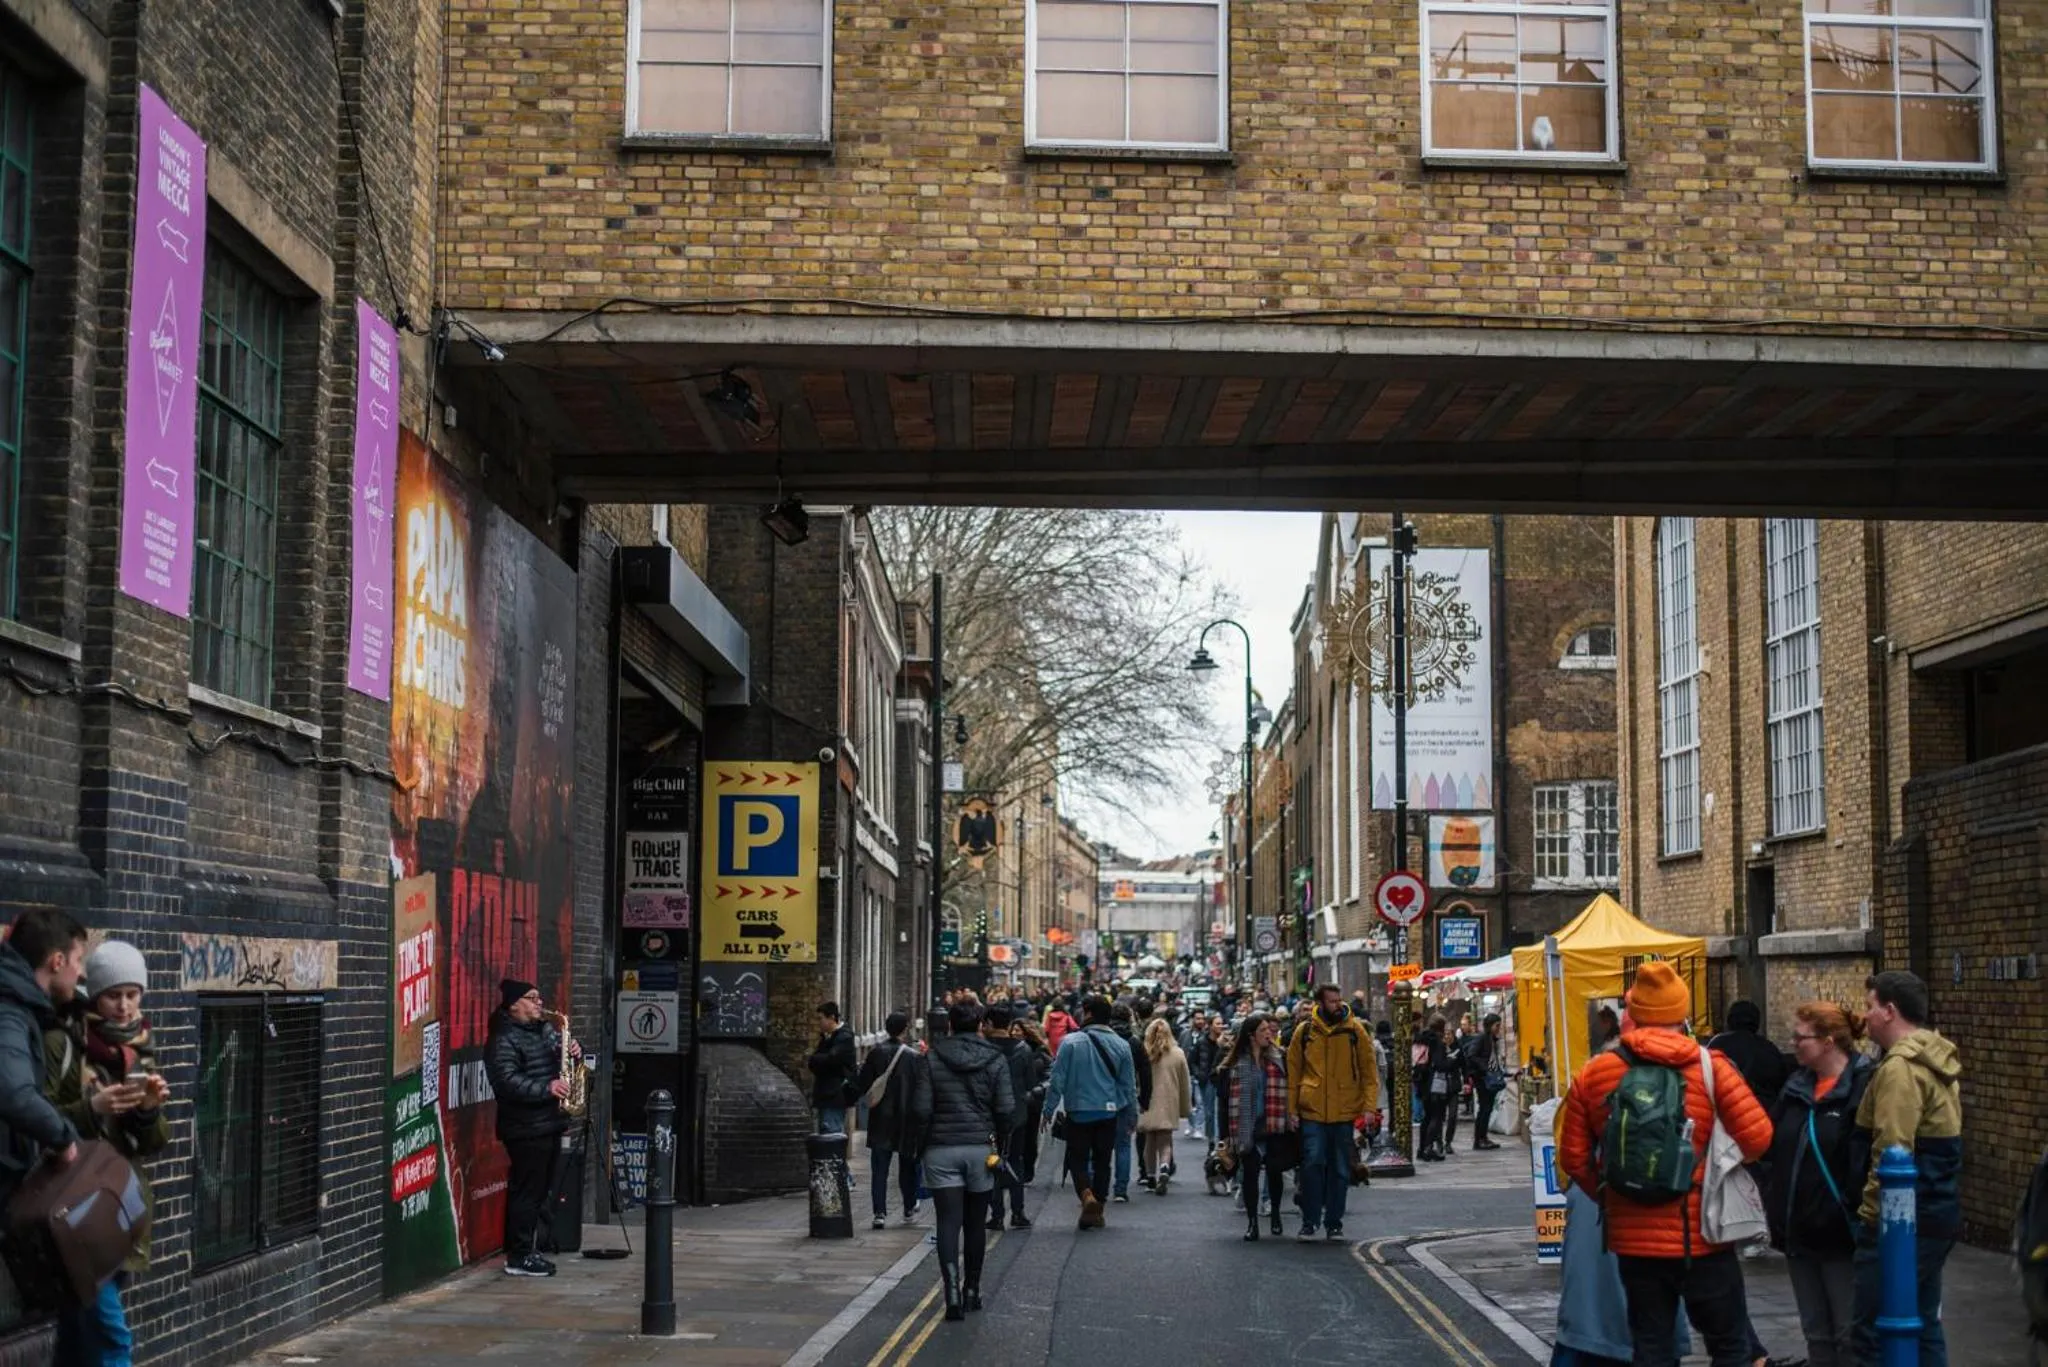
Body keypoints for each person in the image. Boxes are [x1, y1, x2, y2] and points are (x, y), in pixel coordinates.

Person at [1556, 961, 1773, 1367]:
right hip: (1703, 1235)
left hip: (1634, 1240)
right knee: (1729, 1345)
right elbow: (1759, 1138)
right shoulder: (1712, 1068)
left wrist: (1611, 1199)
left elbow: (1572, 1159)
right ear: (1682, 1014)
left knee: (1652, 1347)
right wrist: (1713, 1165)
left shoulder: (1597, 1072)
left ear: (1633, 1013)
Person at [41, 939, 170, 1367]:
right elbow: (36, 1117)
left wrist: (148, 1113)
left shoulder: (138, 1052)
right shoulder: (64, 1046)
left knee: (78, 1336)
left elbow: (152, 1143)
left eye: (132, 995)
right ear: (94, 996)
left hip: (117, 1206)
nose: (124, 1006)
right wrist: (90, 1109)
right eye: (113, 995)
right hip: (74, 1208)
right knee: (111, 1338)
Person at [1852, 971, 1961, 1367]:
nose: (1864, 1017)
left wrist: (1870, 1216)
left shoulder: (1900, 1069)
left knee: (1871, 1331)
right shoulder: (1936, 1058)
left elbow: (1892, 1149)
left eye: (1869, 1006)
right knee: (1924, 1323)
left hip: (1900, 1223)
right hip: (1937, 1212)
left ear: (1890, 1011)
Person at [1760, 1001, 1874, 1367]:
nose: (1793, 1043)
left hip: (1841, 1235)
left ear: (1828, 1041)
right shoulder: (1794, 1088)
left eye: (1800, 1037)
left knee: (1847, 1333)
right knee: (1816, 1333)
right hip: (1798, 1231)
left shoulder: (1863, 1088)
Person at [923, 1000, 1014, 1320]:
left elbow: (920, 1110)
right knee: (976, 1224)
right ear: (979, 1025)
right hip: (980, 1150)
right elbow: (1005, 1111)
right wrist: (1000, 1144)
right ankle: (972, 1290)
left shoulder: (932, 1057)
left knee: (948, 1222)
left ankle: (950, 1294)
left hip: (940, 1149)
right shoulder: (995, 1059)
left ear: (950, 1025)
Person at [484, 979, 577, 1276]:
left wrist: (575, 1049)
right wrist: (546, 1088)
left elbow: (560, 1058)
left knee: (539, 1191)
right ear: (514, 1004)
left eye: (539, 997)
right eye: (532, 998)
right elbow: (507, 1082)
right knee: (527, 1191)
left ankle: (532, 1247)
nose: (539, 1003)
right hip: (525, 1127)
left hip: (547, 1123)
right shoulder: (503, 1039)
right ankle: (519, 1255)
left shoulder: (544, 1030)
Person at [1287, 982, 1376, 1242]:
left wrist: (1369, 1106)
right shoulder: (1304, 1031)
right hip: (1312, 1109)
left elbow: (1369, 1072)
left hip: (1343, 1111)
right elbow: (1294, 1073)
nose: (1338, 1005)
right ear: (1319, 1004)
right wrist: (1291, 1109)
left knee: (1340, 1168)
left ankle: (1334, 1222)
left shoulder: (1354, 1031)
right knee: (1312, 1163)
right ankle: (1310, 1221)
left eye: (1339, 1000)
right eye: (1332, 1001)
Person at [1043, 995, 1136, 1231]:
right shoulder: (1122, 1045)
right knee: (1103, 1161)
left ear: (1088, 1014)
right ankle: (1099, 1207)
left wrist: (1048, 1109)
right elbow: (1128, 1086)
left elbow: (1057, 1080)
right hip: (1108, 1112)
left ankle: (1086, 1196)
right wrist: (1126, 1111)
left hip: (1078, 1112)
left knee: (1078, 1159)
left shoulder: (1070, 1042)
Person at [853, 1010, 931, 1229]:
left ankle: (879, 1213)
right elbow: (921, 1088)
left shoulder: (876, 1053)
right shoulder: (914, 1057)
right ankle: (908, 1208)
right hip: (907, 1118)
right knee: (907, 1165)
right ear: (905, 1029)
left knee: (879, 1168)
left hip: (881, 1118)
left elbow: (863, 1083)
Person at [1225, 1012, 1294, 1241]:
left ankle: (1275, 1213)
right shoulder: (1238, 1063)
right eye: (1263, 1030)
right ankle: (1253, 1222)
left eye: (1270, 1029)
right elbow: (1229, 1101)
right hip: (1248, 1126)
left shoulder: (1278, 1058)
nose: (1269, 1033)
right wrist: (1229, 1135)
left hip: (1274, 1124)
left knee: (1274, 1173)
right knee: (1250, 1174)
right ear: (1251, 1035)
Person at [984, 1004, 1041, 1231]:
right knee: (1014, 1160)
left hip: (988, 1115)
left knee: (991, 1163)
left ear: (988, 1024)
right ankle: (1018, 1213)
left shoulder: (983, 1049)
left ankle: (996, 1215)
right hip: (1017, 1114)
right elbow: (1030, 1084)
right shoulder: (1024, 1050)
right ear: (1009, 1025)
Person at [1137, 1017, 1191, 1194]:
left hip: (1147, 1102)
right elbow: (1185, 1083)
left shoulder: (1144, 1052)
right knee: (1165, 1141)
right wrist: (1185, 1107)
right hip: (1169, 1102)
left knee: (1149, 1142)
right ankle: (1165, 1167)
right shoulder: (1178, 1054)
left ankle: (1150, 1177)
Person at [1710, 1001, 1791, 1114]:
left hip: (1725, 1112)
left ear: (1729, 1020)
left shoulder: (1717, 1044)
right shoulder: (1769, 1048)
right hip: (1763, 1113)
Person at [1110, 1001, 1151, 1199]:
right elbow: (1145, 1071)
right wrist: (1145, 1099)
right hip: (1127, 1097)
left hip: (1102, 1097)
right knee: (1123, 1144)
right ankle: (1120, 1189)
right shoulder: (1133, 1042)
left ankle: (1093, 1188)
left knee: (1098, 1145)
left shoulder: (1102, 1039)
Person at [808, 1001, 858, 1134]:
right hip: (826, 1095)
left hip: (835, 1095)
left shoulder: (844, 1038)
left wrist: (818, 1059)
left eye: (821, 1019)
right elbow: (813, 1062)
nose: (819, 1023)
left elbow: (830, 1059)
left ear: (831, 1018)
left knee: (832, 1135)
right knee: (826, 1134)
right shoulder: (827, 1038)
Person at [1463, 1014, 1506, 1150]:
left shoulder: (1492, 1040)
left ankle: (1483, 1138)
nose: (1499, 1028)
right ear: (1490, 1025)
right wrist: (1485, 1068)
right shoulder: (1482, 1038)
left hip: (1488, 1078)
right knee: (1484, 1109)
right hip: (1482, 1079)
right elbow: (1472, 1055)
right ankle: (1480, 1139)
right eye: (1497, 1025)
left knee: (1487, 1109)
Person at [1417, 1014, 1456, 1161]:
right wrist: (1450, 1060)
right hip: (1435, 1084)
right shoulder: (1437, 1042)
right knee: (1436, 1116)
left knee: (1426, 1117)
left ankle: (1421, 1148)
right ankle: (1428, 1148)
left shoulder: (1421, 1039)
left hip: (1422, 1082)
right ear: (1441, 1027)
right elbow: (1440, 1064)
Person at [1190, 1013, 1224, 1143]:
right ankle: (1211, 1140)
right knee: (1209, 1111)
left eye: (1221, 1023)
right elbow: (1192, 1060)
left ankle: (1221, 1139)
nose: (1220, 1026)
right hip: (1207, 1080)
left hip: (1221, 1079)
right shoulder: (1201, 1042)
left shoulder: (1224, 1042)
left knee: (1220, 1111)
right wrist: (1199, 1074)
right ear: (1210, 1026)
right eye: (1217, 1023)